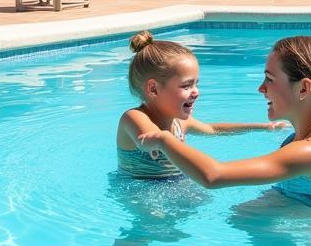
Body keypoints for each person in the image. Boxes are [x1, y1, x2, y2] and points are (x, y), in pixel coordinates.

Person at [137, 35, 311, 201]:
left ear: (304, 89)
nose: (261, 89)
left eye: (270, 79)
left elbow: (214, 176)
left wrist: (163, 139)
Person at [117, 31, 286, 179]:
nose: (196, 92)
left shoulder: (180, 123)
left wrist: (263, 127)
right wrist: (161, 138)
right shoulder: (134, 117)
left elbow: (213, 130)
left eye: (196, 84)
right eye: (186, 86)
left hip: (176, 182)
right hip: (139, 188)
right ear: (153, 89)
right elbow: (144, 140)